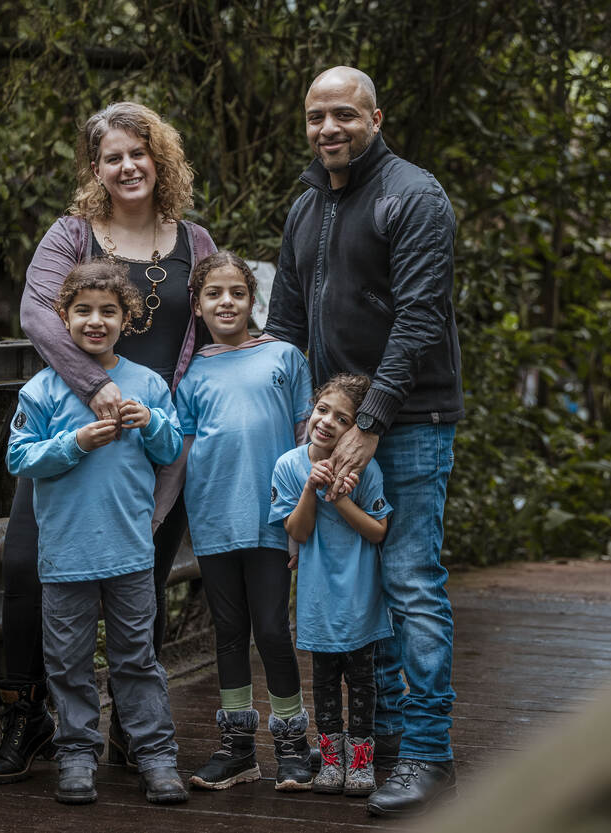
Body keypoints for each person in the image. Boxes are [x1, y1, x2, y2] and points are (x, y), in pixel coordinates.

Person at [0, 101, 217, 785]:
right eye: (113, 157)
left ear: (159, 159)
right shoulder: (72, 234)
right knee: (27, 567)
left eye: (138, 153)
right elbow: (36, 311)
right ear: (96, 168)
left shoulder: (196, 243)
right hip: (73, 431)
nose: (127, 166)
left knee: (144, 578)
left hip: (155, 436)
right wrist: (94, 386)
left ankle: (132, 732)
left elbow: (213, 331)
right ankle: (27, 716)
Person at [265, 65, 464, 817]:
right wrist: (298, 425)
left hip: (407, 423)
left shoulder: (412, 196)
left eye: (344, 114)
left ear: (375, 118)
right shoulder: (307, 205)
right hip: (334, 427)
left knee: (409, 582)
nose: (329, 129)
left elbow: (419, 318)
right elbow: (286, 326)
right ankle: (382, 747)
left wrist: (370, 423)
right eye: (316, 116)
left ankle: (427, 754)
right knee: (361, 585)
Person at [6, 263, 186, 805]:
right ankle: (77, 755)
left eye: (108, 311)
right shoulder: (41, 390)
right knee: (68, 664)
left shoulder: (147, 384)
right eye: (82, 310)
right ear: (63, 318)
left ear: (126, 320)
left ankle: (156, 756)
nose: (95, 321)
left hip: (130, 551)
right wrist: (75, 443)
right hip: (65, 555)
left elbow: (171, 450)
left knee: (137, 660)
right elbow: (19, 457)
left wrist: (151, 421)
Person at [173, 250, 316, 792]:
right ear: (197, 306)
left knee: (273, 630)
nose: (226, 302)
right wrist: (162, 514)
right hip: (214, 521)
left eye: (236, 292)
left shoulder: (284, 357)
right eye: (214, 294)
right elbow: (184, 452)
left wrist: (303, 520)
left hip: (273, 520)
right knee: (229, 633)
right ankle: (237, 749)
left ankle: (292, 744)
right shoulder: (192, 373)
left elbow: (306, 441)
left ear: (253, 300)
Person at [269, 373, 392, 798]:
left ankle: (360, 761)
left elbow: (378, 531)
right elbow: (297, 532)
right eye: (323, 410)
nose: (327, 422)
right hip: (317, 598)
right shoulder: (289, 466)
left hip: (360, 595)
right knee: (323, 682)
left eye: (343, 419)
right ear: (312, 409)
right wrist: (312, 486)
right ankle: (331, 759)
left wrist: (339, 498)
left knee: (362, 681)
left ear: (355, 429)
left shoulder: (366, 469)